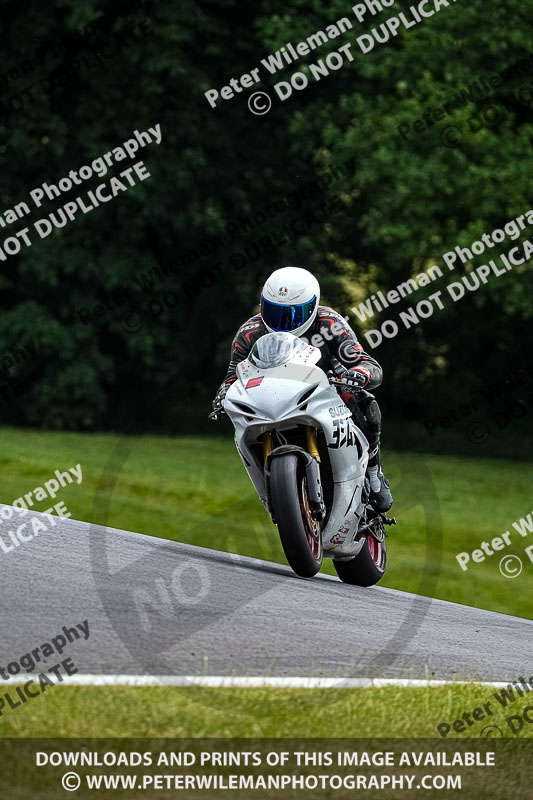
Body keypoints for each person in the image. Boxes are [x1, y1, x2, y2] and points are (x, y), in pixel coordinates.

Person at [212, 266, 393, 512]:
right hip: (270, 398)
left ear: (313, 306)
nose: (282, 323)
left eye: (292, 314)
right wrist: (223, 395)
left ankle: (374, 471)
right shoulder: (249, 332)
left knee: (366, 403)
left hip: (325, 390)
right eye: (274, 312)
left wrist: (359, 374)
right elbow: (233, 376)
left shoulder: (330, 323)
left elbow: (367, 364)